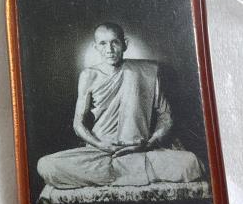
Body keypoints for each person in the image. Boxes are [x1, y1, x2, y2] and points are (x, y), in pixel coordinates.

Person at [37, 23, 203, 189]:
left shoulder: (147, 71)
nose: (109, 49)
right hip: (101, 152)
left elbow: (165, 116)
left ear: (125, 44)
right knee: (46, 165)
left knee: (192, 163)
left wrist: (150, 143)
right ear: (96, 47)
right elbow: (78, 124)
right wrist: (100, 145)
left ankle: (113, 174)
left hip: (140, 150)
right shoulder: (89, 76)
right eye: (103, 43)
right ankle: (132, 173)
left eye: (114, 42)